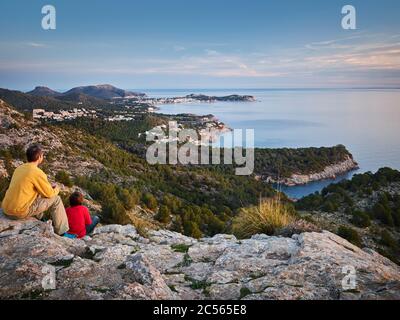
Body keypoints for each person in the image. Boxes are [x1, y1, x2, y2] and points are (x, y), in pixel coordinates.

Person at [1, 144, 69, 235]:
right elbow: (49, 194)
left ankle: (39, 219)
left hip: (6, 209)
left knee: (38, 193)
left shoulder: (19, 168)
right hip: (18, 212)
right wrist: (57, 188)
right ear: (40, 157)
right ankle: (62, 232)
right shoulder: (36, 172)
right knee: (56, 200)